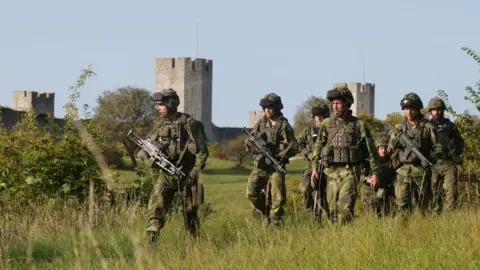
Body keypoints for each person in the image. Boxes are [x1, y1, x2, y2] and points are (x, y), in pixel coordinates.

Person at [138, 88, 209, 245]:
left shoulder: (190, 124)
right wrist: (145, 154)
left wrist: (195, 171)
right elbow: (149, 144)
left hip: (187, 174)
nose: (159, 108)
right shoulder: (160, 124)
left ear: (171, 104)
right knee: (156, 206)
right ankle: (150, 243)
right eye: (158, 105)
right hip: (167, 173)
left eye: (162, 104)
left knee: (189, 211)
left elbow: (202, 151)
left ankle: (194, 245)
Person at [311, 86, 381, 225]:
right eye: (333, 103)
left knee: (345, 208)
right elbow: (318, 146)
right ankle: (336, 240)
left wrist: (375, 173)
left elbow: (371, 150)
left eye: (338, 103)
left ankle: (346, 237)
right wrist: (314, 167)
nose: (335, 106)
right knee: (332, 210)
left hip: (350, 171)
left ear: (347, 104)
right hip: (331, 172)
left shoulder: (358, 124)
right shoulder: (326, 123)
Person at [245, 93, 298, 226]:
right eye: (264, 108)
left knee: (278, 197)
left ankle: (275, 223)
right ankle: (265, 211)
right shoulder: (261, 122)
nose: (266, 110)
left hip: (276, 165)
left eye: (269, 107)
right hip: (261, 164)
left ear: (276, 108)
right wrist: (253, 146)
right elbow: (250, 139)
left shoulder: (284, 125)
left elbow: (294, 146)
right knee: (251, 192)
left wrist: (280, 155)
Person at [388, 93, 441, 218]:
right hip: (404, 171)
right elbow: (389, 149)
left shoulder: (428, 127)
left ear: (418, 109)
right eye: (406, 109)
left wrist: (430, 158)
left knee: (425, 208)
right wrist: (394, 144)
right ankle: (400, 233)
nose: (409, 112)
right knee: (402, 206)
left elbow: (439, 147)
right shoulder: (399, 128)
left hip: (421, 172)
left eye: (412, 109)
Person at [427, 96, 465, 214]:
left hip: (448, 163)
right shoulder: (427, 126)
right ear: (430, 111)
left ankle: (449, 217)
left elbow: (460, 142)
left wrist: (454, 153)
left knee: (452, 193)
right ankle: (434, 218)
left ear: (442, 110)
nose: (436, 112)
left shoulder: (450, 126)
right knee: (433, 193)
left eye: (438, 110)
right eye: (433, 110)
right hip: (432, 164)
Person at [296, 103, 330, 211]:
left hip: (328, 165)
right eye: (316, 115)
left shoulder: (332, 129)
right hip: (311, 165)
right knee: (304, 188)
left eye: (321, 115)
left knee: (330, 194)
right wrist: (308, 154)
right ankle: (311, 210)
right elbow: (298, 143)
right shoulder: (308, 130)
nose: (318, 118)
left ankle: (331, 216)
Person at [361, 136, 400, 217]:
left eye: (386, 148)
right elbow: (360, 175)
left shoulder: (392, 161)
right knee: (371, 218)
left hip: (387, 194)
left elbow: (396, 175)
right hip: (371, 194)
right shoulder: (369, 161)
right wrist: (367, 179)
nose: (383, 151)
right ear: (377, 148)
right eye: (381, 148)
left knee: (388, 216)